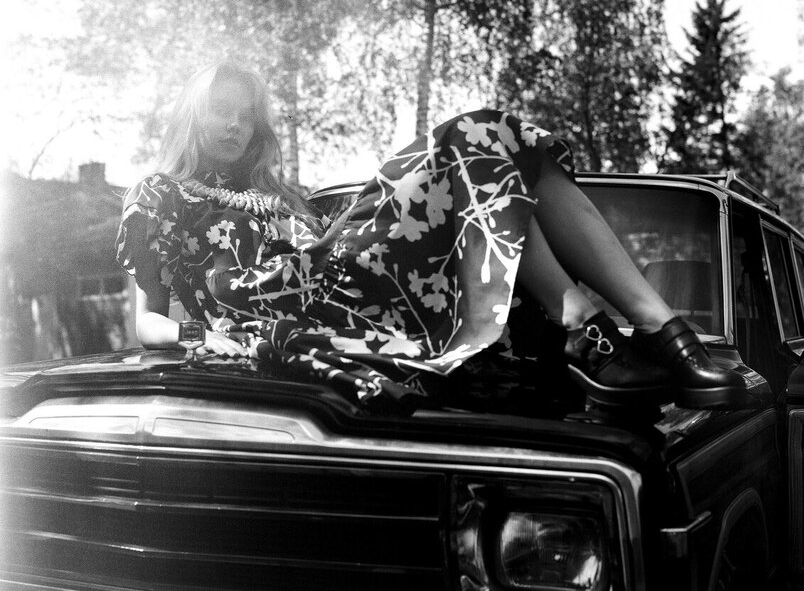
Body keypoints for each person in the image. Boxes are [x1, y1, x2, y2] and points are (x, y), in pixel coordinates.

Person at [116, 61, 747, 413]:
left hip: (337, 283)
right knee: (471, 139)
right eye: (219, 111)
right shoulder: (158, 194)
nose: (234, 125)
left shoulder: (283, 195)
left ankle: (649, 327)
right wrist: (208, 338)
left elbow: (325, 246)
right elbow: (147, 322)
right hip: (278, 307)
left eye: (245, 115)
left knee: (489, 144)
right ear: (192, 113)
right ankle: (593, 326)